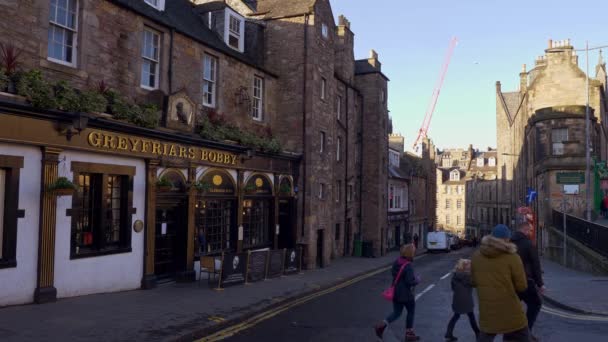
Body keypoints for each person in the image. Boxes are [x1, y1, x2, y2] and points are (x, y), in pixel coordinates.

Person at [471, 224, 529, 342]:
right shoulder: (513, 257)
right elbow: (522, 286)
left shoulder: (476, 257)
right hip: (511, 312)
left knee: (485, 336)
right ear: (507, 239)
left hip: (487, 312)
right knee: (521, 335)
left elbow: (473, 281)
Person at [374, 244, 421, 341]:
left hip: (396, 292)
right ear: (410, 253)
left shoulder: (397, 262)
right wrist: (417, 280)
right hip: (406, 294)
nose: (414, 253)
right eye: (413, 252)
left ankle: (381, 326)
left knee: (397, 313)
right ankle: (409, 333)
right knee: (411, 311)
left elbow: (396, 275)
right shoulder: (408, 266)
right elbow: (409, 281)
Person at [511, 222, 545, 341]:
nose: (531, 233)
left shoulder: (509, 242)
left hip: (510, 282)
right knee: (536, 303)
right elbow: (536, 265)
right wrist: (540, 284)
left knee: (513, 307)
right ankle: (526, 332)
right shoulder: (528, 244)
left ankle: (514, 333)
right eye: (530, 230)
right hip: (525, 281)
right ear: (525, 230)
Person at [444, 259, 480, 341]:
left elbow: (453, 287)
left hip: (457, 299)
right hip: (466, 300)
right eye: (469, 265)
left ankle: (448, 333)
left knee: (455, 316)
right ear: (465, 267)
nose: (471, 267)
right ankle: (478, 334)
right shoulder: (467, 276)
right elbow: (475, 284)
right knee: (471, 317)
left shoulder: (455, 275)